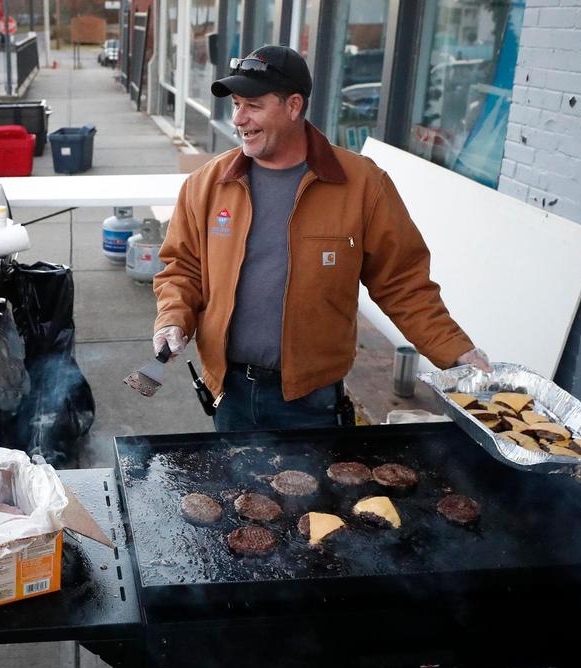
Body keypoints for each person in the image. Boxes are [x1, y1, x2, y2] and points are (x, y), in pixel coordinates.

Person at [152, 45, 490, 432]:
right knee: (240, 493)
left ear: (294, 106)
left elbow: (403, 284)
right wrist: (173, 319)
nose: (239, 119)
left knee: (319, 493)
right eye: (236, 105)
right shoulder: (207, 185)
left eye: (253, 105)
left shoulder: (363, 185)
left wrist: (456, 352)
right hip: (227, 391)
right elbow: (182, 267)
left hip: (311, 400)